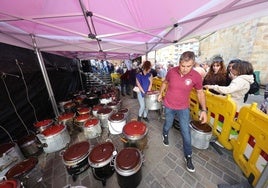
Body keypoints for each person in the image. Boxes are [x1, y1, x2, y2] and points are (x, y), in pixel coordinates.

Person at [157, 51, 207, 173]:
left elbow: (200, 93)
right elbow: (165, 82)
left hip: (183, 108)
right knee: (168, 124)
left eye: (188, 66)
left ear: (193, 64)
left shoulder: (196, 76)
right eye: (183, 66)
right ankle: (165, 134)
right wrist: (160, 93)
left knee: (186, 132)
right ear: (179, 63)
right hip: (169, 105)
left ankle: (188, 156)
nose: (185, 69)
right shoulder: (171, 71)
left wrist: (204, 110)